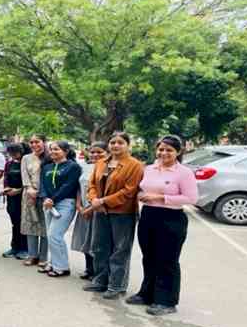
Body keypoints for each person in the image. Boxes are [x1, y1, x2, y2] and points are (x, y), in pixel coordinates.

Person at [127, 135, 197, 315]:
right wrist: (142, 194)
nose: (163, 153)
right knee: (148, 257)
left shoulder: (184, 172)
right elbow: (143, 188)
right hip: (149, 215)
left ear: (178, 152)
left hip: (171, 218)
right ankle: (147, 294)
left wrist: (160, 197)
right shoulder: (149, 168)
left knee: (167, 260)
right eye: (161, 149)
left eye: (169, 150)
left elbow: (191, 198)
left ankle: (166, 301)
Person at [83, 131, 144, 299]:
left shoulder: (135, 165)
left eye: (120, 142)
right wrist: (94, 199)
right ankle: (100, 281)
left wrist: (103, 201)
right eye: (112, 142)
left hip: (122, 213)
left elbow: (129, 191)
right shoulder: (101, 162)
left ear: (128, 145)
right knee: (99, 247)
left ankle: (117, 285)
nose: (115, 145)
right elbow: (92, 184)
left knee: (120, 250)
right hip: (100, 211)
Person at [38, 141, 82, 277]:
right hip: (48, 204)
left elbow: (69, 186)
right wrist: (45, 198)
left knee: (54, 235)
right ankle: (52, 263)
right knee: (52, 236)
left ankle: (61, 267)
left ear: (66, 151)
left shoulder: (73, 167)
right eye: (51, 150)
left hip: (65, 203)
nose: (52, 152)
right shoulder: (47, 167)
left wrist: (53, 199)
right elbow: (42, 185)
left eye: (56, 149)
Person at [71, 142, 108, 280]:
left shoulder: (107, 168)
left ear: (107, 153)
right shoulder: (84, 167)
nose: (95, 155)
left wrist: (91, 209)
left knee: (97, 242)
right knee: (84, 239)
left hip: (98, 209)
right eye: (93, 152)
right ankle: (89, 268)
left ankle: (99, 272)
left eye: (100, 152)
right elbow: (79, 187)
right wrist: (79, 206)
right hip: (83, 210)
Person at [21, 134, 49, 268]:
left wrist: (44, 193)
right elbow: (24, 175)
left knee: (45, 226)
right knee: (31, 225)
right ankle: (32, 255)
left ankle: (43, 257)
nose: (34, 145)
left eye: (37, 142)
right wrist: (29, 188)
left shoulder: (50, 157)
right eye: (31, 142)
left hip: (46, 196)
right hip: (29, 194)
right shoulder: (26, 158)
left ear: (44, 142)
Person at [1, 143, 29, 259]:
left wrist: (18, 191)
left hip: (24, 197)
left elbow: (30, 182)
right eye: (10, 152)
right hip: (11, 198)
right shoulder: (9, 164)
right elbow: (6, 178)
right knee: (15, 224)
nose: (13, 155)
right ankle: (14, 247)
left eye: (15, 152)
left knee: (24, 223)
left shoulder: (27, 163)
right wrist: (6, 188)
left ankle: (24, 249)